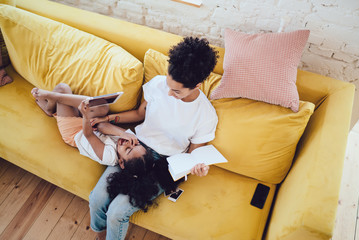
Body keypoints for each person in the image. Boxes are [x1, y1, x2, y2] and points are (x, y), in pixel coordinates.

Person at [89, 36, 219, 240]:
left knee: (116, 213)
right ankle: (99, 234)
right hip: (135, 147)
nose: (168, 93)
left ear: (197, 86)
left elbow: (193, 157)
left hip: (164, 166)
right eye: (168, 84)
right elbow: (140, 114)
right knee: (96, 198)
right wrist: (108, 118)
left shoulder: (205, 115)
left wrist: (198, 168)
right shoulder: (158, 84)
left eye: (176, 91)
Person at [31, 83, 179, 213]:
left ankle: (51, 103)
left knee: (62, 89)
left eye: (127, 149)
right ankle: (51, 108)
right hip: (91, 125)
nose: (128, 143)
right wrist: (124, 133)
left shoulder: (109, 156)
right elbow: (101, 125)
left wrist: (85, 116)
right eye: (136, 144)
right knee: (103, 107)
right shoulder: (128, 140)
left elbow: (88, 135)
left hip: (76, 132)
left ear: (121, 162)